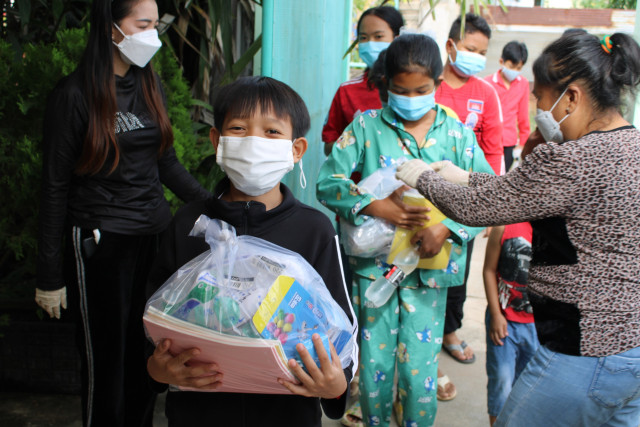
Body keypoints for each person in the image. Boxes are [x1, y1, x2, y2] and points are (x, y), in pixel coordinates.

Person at [396, 31, 640, 426]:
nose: (538, 109)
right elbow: (520, 193)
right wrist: (465, 176)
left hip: (582, 349)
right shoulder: (632, 147)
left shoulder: (570, 160)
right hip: (633, 350)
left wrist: (424, 177)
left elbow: (478, 211)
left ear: (572, 97)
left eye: (541, 99)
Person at [34, 1, 211, 425]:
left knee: (148, 356)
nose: (153, 34)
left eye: (155, 24)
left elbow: (165, 163)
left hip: (152, 236)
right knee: (106, 365)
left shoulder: (149, 85)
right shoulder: (73, 96)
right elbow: (54, 186)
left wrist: (215, 207)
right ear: (112, 28)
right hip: (101, 244)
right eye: (143, 24)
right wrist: (49, 276)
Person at [146, 76, 357, 427]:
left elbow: (342, 327)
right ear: (218, 142)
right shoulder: (189, 224)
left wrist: (337, 385)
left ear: (296, 149)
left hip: (287, 415)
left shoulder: (314, 230)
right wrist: (154, 370)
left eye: (272, 132)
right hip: (198, 414)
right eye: (239, 128)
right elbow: (152, 316)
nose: (255, 142)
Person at [317, 34, 494, 427]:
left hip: (430, 271)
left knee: (419, 367)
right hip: (375, 269)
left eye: (421, 90)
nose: (410, 98)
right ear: (385, 86)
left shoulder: (458, 136)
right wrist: (377, 205)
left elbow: (487, 195)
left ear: (438, 84)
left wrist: (447, 229)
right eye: (400, 90)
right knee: (375, 363)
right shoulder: (365, 127)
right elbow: (328, 182)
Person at [434, 13, 504, 370]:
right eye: (470, 49)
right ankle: (422, 332)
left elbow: (492, 150)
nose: (476, 57)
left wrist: (491, 205)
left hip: (466, 200)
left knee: (457, 271)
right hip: (423, 194)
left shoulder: (486, 94)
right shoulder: (428, 86)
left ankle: (449, 331)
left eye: (482, 51)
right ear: (451, 47)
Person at [322, 6, 404, 156]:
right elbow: (329, 146)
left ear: (397, 38)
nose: (370, 44)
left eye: (378, 36)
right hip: (356, 180)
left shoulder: (415, 90)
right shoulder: (347, 91)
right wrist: (357, 145)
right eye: (363, 38)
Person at [482, 224, 538, 426]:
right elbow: (489, 270)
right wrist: (496, 314)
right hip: (504, 324)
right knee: (501, 382)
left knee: (530, 386)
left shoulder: (556, 229)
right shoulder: (503, 228)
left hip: (539, 329)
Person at [485, 41, 530, 172]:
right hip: (489, 142)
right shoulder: (487, 83)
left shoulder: (523, 84)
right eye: (512, 66)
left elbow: (523, 118)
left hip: (509, 143)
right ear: (502, 61)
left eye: (519, 68)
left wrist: (521, 144)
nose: (515, 71)